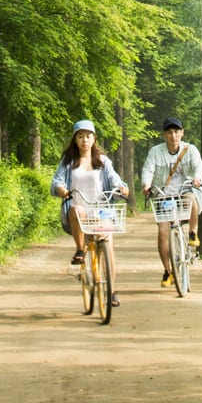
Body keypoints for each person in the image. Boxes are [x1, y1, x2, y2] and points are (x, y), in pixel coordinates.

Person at [51, 119, 129, 307]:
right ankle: (80, 249)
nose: (85, 140)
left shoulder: (103, 161)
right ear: (75, 140)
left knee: (108, 246)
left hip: (102, 210)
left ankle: (111, 291)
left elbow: (115, 179)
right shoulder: (68, 162)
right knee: (76, 209)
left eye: (88, 136)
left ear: (94, 139)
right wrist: (61, 189)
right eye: (80, 136)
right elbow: (56, 181)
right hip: (80, 212)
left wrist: (121, 188)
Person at [140, 116, 202, 288]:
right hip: (164, 195)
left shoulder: (190, 149)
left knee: (191, 198)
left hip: (184, 190)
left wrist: (198, 178)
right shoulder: (156, 151)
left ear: (182, 133)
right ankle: (167, 271)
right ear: (164, 135)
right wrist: (146, 185)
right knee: (163, 231)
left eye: (176, 132)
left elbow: (198, 166)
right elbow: (148, 169)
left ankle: (193, 233)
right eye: (169, 132)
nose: (173, 136)